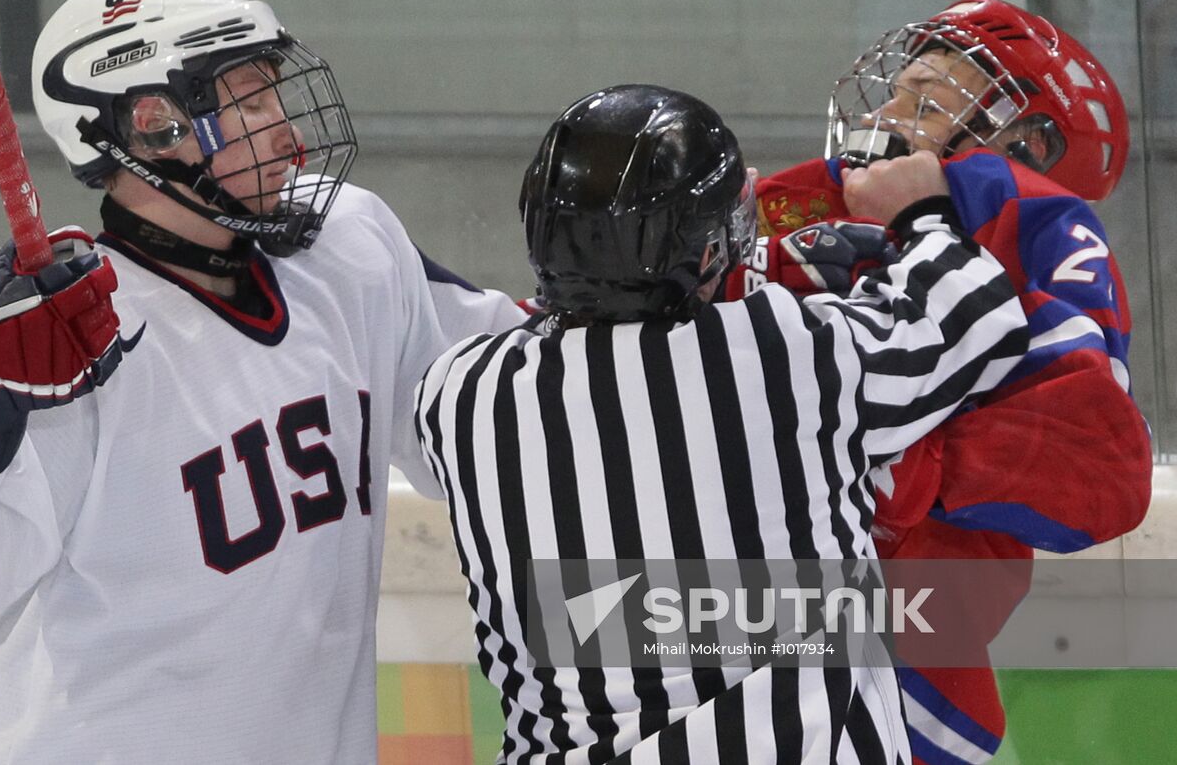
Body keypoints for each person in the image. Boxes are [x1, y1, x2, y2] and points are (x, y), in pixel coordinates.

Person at [0, 0, 525, 763]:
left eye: (275, 95)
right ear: (152, 130)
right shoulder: (49, 345)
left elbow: (504, 408)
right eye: (249, 106)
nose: (287, 133)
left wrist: (632, 302)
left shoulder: (349, 247)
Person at [414, 83, 1031, 763]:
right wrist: (923, 214)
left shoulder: (458, 390)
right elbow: (975, 319)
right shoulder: (781, 350)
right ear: (706, 253)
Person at [730, 0, 1152, 764]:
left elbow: (1097, 465)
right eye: (895, 89)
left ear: (1025, 142)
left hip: (878, 655)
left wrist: (888, 454)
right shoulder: (803, 203)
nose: (887, 111)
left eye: (924, 98)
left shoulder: (1041, 225)